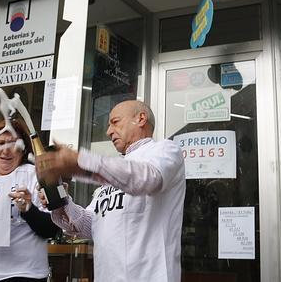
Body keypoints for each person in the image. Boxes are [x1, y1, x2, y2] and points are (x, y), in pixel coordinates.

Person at [36, 100, 185, 282]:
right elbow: (89, 225)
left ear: (141, 119)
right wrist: (63, 201)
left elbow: (146, 178)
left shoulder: (165, 150)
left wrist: (80, 162)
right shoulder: (114, 173)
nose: (108, 132)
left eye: (115, 122)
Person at [0, 119, 59, 282]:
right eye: (0, 143)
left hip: (23, 275)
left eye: (14, 144)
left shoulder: (35, 176)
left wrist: (28, 210)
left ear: (23, 150)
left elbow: (51, 229)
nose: (6, 150)